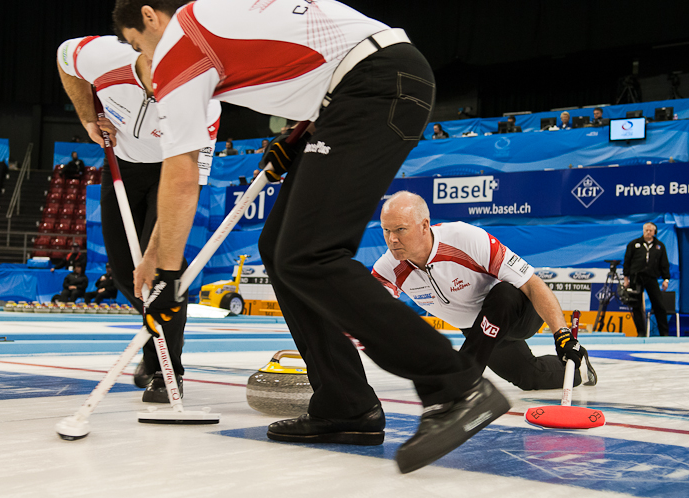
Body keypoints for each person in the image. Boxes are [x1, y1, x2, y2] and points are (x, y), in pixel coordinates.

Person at [115, 0, 510, 474]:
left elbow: (180, 174)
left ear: (150, 16)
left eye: (139, 46)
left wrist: (167, 278)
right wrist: (301, 130)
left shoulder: (180, 43)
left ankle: (456, 387)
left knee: (310, 253)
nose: (146, 63)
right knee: (281, 250)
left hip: (374, 85)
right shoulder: (215, 18)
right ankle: (346, 404)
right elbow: (321, 45)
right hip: (360, 86)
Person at [57, 33, 221, 402]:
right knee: (123, 274)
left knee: (163, 272)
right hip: (122, 165)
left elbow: (188, 184)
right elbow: (64, 58)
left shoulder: (204, 98)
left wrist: (152, 257)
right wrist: (88, 119)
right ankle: (154, 348)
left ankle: (167, 372)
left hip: (171, 174)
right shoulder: (104, 57)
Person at [372, 191, 594, 390]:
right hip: (479, 330)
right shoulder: (387, 269)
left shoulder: (464, 239)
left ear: (423, 225)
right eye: (386, 230)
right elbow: (371, 313)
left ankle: (463, 377)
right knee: (530, 377)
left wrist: (562, 336)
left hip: (518, 312)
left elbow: (531, 283)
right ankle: (580, 370)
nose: (392, 240)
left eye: (400, 229)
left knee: (503, 294)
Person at [623, 222, 671, 337]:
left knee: (659, 304)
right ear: (643, 231)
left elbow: (664, 263)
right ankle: (641, 332)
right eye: (646, 230)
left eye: (650, 230)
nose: (648, 232)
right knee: (636, 306)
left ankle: (664, 333)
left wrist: (666, 279)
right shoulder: (634, 244)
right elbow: (627, 262)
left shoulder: (659, 246)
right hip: (636, 278)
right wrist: (626, 278)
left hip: (651, 278)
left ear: (654, 232)